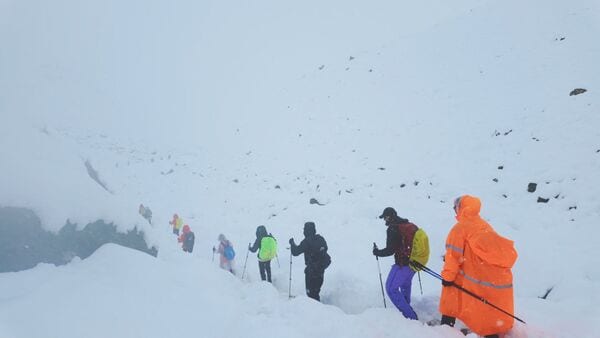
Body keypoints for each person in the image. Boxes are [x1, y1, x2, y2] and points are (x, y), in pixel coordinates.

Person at [439, 195, 517, 338]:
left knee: (451, 294)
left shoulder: (459, 229)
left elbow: (453, 257)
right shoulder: (484, 225)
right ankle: (491, 333)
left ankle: (445, 329)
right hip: (486, 277)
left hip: (470, 276)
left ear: (460, 208)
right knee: (484, 308)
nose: (454, 211)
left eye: (455, 208)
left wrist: (447, 277)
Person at [372, 207, 419, 320]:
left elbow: (390, 250)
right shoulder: (407, 224)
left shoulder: (393, 229)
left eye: (385, 218)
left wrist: (377, 252)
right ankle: (407, 311)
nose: (385, 220)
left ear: (389, 216)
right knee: (405, 285)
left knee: (390, 288)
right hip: (414, 263)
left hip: (403, 264)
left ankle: (410, 317)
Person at [289, 222, 331, 301]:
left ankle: (315, 311)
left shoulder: (306, 241)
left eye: (304, 229)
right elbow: (325, 249)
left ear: (306, 231)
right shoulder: (321, 239)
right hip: (321, 270)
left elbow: (295, 252)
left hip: (311, 272)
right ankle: (320, 309)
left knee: (311, 294)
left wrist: (292, 243)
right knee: (316, 292)